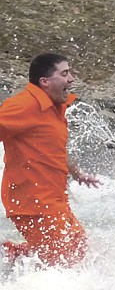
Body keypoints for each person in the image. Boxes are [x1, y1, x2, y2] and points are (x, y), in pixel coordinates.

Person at [0, 53, 100, 268]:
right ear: (44, 82)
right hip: (32, 204)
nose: (71, 79)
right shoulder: (24, 105)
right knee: (67, 264)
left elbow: (54, 148)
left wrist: (77, 173)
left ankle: (9, 255)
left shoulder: (55, 107)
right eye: (65, 74)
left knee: (79, 248)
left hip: (54, 200)